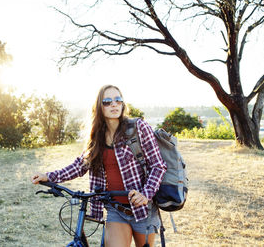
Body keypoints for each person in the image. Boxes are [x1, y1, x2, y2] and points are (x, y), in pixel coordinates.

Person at [31, 85, 167, 247]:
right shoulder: (97, 137)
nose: (114, 105)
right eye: (107, 102)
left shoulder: (138, 128)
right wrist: (49, 176)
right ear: (99, 107)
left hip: (143, 208)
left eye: (118, 100)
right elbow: (80, 166)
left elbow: (158, 165)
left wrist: (146, 194)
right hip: (116, 209)